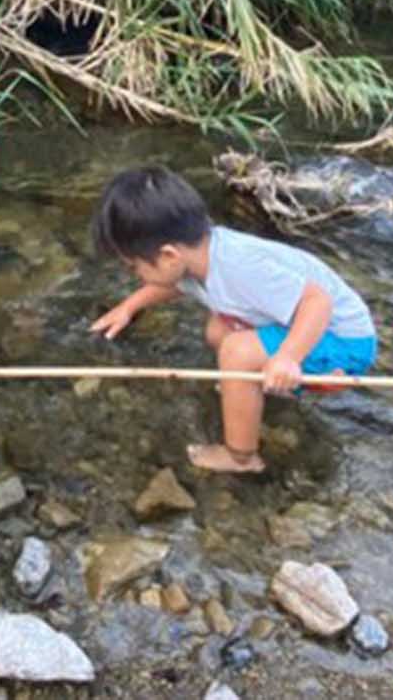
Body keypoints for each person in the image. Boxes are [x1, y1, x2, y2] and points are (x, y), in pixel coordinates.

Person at [88, 166, 377, 473]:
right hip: (305, 326)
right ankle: (249, 389)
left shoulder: (240, 268)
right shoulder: (198, 254)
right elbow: (171, 285)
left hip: (343, 342)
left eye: (135, 268)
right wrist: (129, 306)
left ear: (169, 256)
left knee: (236, 352)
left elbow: (317, 302)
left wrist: (288, 358)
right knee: (218, 330)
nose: (135, 275)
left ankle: (241, 456)